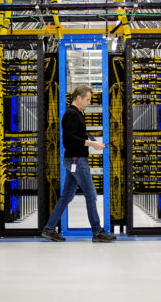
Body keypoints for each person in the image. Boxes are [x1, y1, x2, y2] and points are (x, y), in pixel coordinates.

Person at [41, 85, 117, 242]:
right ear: (79, 98)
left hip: (73, 159)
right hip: (76, 159)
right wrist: (91, 144)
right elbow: (69, 140)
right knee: (91, 194)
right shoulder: (71, 115)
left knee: (66, 196)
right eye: (88, 100)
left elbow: (76, 134)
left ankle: (49, 229)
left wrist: (92, 141)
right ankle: (97, 232)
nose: (89, 103)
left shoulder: (75, 114)